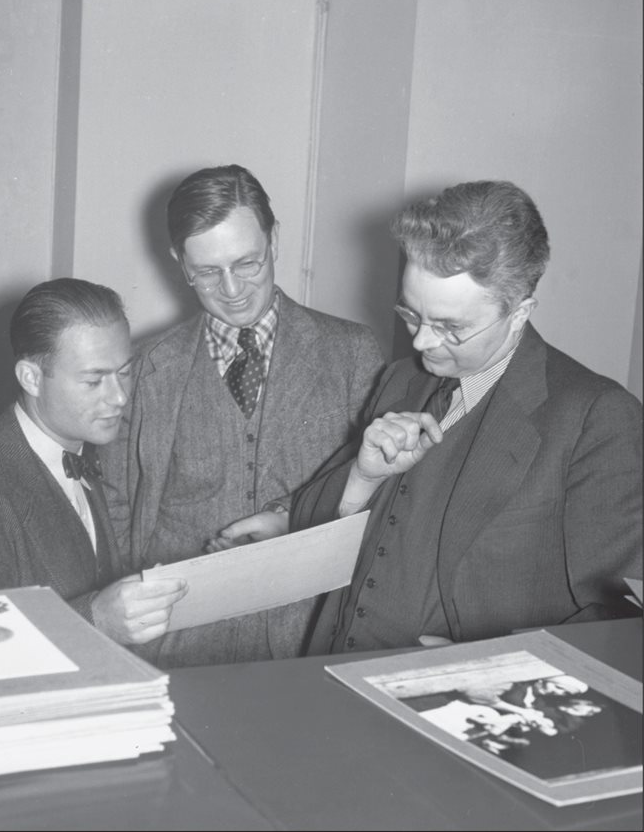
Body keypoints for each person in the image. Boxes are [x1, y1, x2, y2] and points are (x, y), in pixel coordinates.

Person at [209, 180, 643, 654]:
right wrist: (362, 477)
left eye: (450, 327)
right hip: (329, 675)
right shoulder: (401, 379)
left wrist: (491, 665)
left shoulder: (595, 419)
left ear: (520, 313)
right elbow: (325, 519)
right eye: (411, 314)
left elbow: (617, 621)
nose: (420, 343)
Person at [99, 164, 385, 667]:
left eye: (247, 263)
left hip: (311, 642)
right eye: (208, 271)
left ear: (274, 239)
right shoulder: (145, 370)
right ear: (180, 263)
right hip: (177, 647)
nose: (231, 289)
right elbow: (114, 512)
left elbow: (381, 502)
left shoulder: (353, 354)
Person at [0, 277, 187, 647]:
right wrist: (95, 621)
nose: (120, 397)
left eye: (124, 372)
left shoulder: (79, 449)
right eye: (94, 381)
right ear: (31, 377)